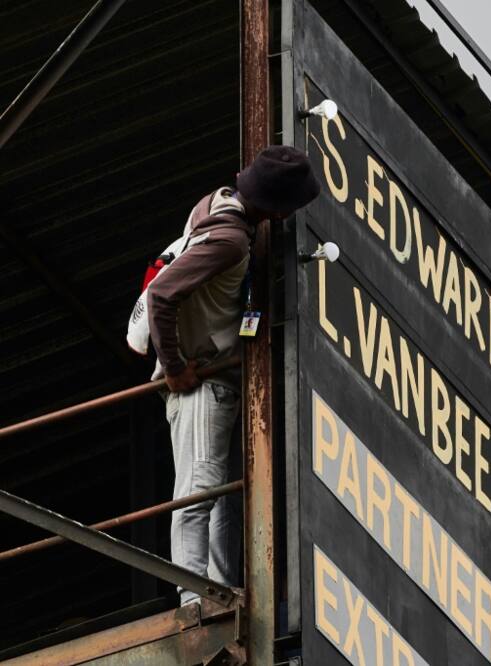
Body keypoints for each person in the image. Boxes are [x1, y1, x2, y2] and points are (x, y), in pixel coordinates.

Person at [147, 146, 320, 605]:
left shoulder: (216, 202)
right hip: (201, 383)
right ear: (277, 208)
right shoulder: (231, 240)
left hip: (215, 382)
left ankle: (217, 593)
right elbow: (162, 295)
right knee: (199, 491)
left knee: (222, 493)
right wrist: (177, 368)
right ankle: (193, 600)